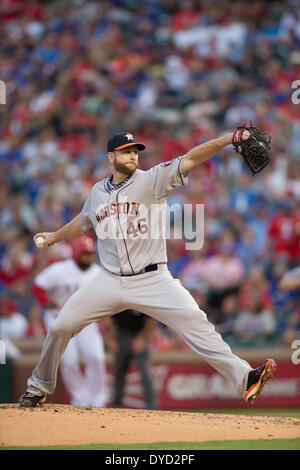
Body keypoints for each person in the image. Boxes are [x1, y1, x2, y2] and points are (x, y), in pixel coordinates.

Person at [19, 129, 276, 407]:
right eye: (126, 151)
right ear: (111, 156)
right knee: (59, 327)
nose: (132, 155)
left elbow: (190, 158)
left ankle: (246, 379)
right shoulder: (96, 193)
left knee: (195, 321)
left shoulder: (152, 179)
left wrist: (227, 139)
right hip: (108, 280)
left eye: (134, 151)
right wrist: (56, 236)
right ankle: (38, 388)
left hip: (153, 279)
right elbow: (85, 219)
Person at [32, 235, 108, 407]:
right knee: (69, 360)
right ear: (75, 254)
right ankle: (80, 398)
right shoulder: (60, 270)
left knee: (95, 356)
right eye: (84, 254)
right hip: (59, 317)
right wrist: (45, 302)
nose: (88, 257)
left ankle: (99, 399)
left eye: (90, 254)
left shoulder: (97, 272)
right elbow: (37, 285)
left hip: (85, 319)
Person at [103, 310, 156, 410]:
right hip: (120, 335)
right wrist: (111, 339)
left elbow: (152, 318)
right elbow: (106, 317)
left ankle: (151, 407)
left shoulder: (141, 296)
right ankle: (116, 406)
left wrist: (142, 338)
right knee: (119, 373)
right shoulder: (119, 297)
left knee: (145, 373)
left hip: (139, 334)